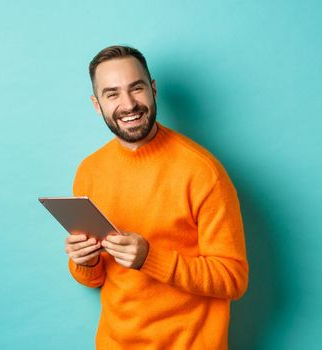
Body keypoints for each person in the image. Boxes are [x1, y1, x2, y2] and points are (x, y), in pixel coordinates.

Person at [63, 45, 249, 349]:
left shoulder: (202, 171)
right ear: (97, 105)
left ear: (153, 90)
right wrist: (84, 259)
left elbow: (233, 278)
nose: (128, 104)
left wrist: (150, 259)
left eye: (136, 88)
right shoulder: (89, 171)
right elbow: (93, 280)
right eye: (112, 94)